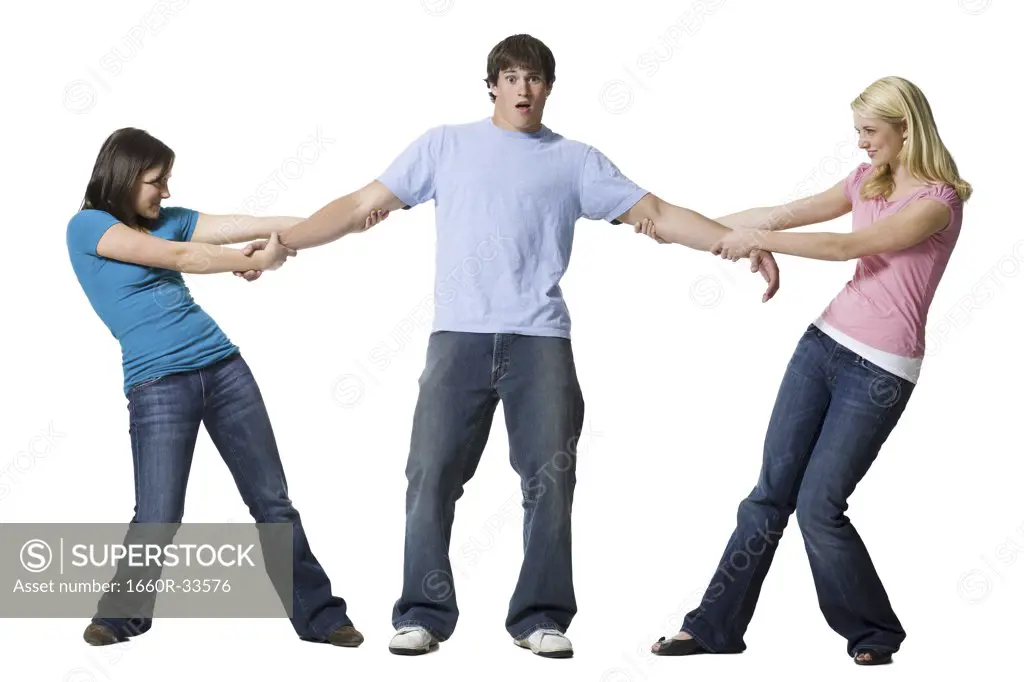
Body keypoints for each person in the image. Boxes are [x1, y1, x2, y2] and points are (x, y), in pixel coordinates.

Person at [250, 34, 780, 658]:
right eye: (511, 76)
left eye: (535, 78)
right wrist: (287, 240)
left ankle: (539, 617)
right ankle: (422, 612)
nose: (523, 88)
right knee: (430, 475)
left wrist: (737, 239)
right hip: (459, 338)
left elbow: (658, 212)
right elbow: (363, 202)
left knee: (550, 482)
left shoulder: (575, 160)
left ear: (549, 88)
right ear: (492, 85)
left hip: (540, 340)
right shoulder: (445, 145)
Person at [639, 75, 971, 666]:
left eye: (870, 131)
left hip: (881, 370)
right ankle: (711, 628)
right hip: (821, 346)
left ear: (905, 127)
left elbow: (849, 247)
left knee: (819, 506)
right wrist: (691, 233)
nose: (862, 143)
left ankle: (874, 633)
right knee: (768, 496)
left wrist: (759, 239)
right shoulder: (869, 177)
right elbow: (784, 212)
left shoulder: (937, 203)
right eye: (858, 132)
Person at [66, 127, 386, 647]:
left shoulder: (169, 220)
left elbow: (256, 224)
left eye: (166, 181)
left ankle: (322, 617)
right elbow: (179, 259)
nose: (164, 193)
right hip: (156, 384)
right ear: (123, 178)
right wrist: (253, 260)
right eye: (155, 181)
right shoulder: (87, 227)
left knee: (272, 502)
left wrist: (344, 226)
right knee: (159, 513)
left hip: (224, 367)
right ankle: (121, 615)